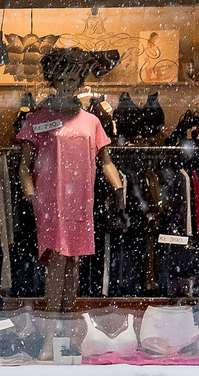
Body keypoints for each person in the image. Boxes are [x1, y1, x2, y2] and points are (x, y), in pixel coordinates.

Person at [17, 49, 126, 352]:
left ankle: (65, 332)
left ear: (80, 81)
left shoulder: (91, 121)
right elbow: (24, 167)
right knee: (57, 262)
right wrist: (29, 193)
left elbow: (105, 161)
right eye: (62, 78)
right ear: (52, 79)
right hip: (50, 201)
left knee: (73, 264)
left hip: (80, 201)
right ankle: (52, 336)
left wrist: (118, 191)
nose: (67, 84)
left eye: (73, 78)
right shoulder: (37, 119)